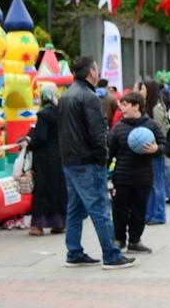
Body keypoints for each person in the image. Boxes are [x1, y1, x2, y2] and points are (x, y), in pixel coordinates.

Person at [58, 57, 135, 269]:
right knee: (100, 207)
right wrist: (103, 159)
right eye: (97, 69)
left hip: (70, 160)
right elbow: (97, 133)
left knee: (74, 208)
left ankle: (74, 252)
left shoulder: (66, 95)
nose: (98, 72)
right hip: (88, 161)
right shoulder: (88, 97)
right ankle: (111, 255)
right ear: (92, 72)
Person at [108, 92, 165, 254]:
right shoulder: (118, 127)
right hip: (122, 176)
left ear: (136, 106)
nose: (122, 108)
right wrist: (104, 172)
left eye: (125, 105)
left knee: (139, 210)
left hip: (143, 176)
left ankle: (135, 240)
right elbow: (110, 152)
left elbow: (163, 145)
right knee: (119, 211)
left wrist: (156, 149)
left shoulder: (151, 125)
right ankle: (119, 240)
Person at [25, 84, 67, 236]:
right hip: (59, 155)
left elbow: (41, 137)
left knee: (42, 189)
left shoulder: (43, 114)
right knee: (58, 188)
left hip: (44, 158)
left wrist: (29, 143)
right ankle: (59, 224)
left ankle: (38, 225)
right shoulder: (60, 112)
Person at [139, 80, 169, 225]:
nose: (141, 91)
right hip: (148, 151)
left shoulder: (156, 108)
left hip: (155, 151)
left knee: (157, 184)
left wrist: (155, 146)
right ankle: (150, 214)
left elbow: (161, 132)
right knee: (150, 184)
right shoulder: (148, 106)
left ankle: (159, 214)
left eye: (143, 89)